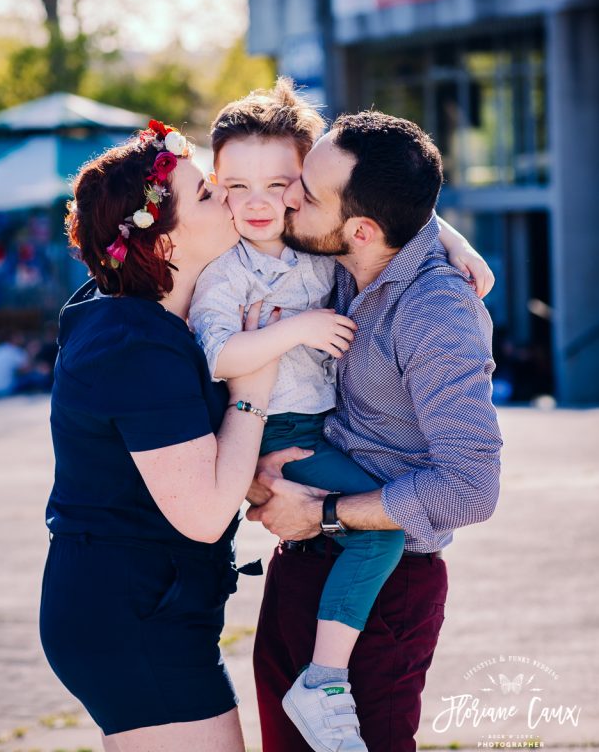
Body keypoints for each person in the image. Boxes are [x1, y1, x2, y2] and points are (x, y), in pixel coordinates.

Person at [188, 83, 496, 752]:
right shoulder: (333, 261)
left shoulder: (435, 314)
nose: (283, 200)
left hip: (385, 579)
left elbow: (470, 489)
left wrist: (325, 514)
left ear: (358, 228)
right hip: (298, 554)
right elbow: (387, 205)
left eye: (302, 191)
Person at [39, 119, 285, 752]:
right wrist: (256, 382)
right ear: (166, 243)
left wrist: (452, 246)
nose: (232, 198)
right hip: (133, 616)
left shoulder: (138, 310)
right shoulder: (132, 343)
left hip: (148, 604)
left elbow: (336, 204)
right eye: (207, 194)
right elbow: (204, 514)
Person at [0, 332, 30, 398]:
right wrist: (30, 352)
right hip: (5, 390)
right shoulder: (15, 350)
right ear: (14, 339)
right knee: (34, 376)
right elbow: (26, 369)